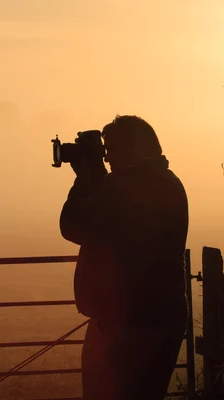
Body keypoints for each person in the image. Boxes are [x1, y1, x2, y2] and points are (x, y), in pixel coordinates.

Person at [59, 115, 189, 399]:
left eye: (112, 149)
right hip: (158, 319)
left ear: (135, 149)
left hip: (127, 326)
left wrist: (84, 180)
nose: (108, 158)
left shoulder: (126, 187)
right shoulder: (167, 183)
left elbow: (72, 223)